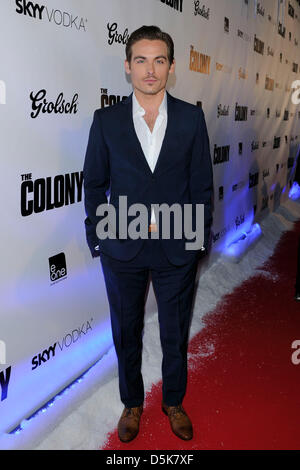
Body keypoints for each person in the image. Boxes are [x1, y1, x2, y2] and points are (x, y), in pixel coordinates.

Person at [83, 25, 213, 443]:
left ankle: (173, 400)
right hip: (122, 245)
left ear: (172, 67)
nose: (150, 70)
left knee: (175, 331)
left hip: (177, 244)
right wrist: (100, 239)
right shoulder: (105, 121)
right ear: (128, 66)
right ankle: (132, 403)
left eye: (159, 60)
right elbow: (94, 185)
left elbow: (202, 186)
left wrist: (196, 241)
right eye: (141, 60)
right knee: (126, 330)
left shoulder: (192, 119)